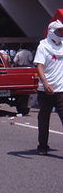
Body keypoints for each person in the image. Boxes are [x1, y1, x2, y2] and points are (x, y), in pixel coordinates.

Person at [33, 20, 63, 155]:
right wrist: (45, 83)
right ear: (52, 32)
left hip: (61, 90)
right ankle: (43, 146)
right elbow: (39, 66)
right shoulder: (43, 46)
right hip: (46, 90)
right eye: (59, 30)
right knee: (44, 118)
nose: (62, 33)